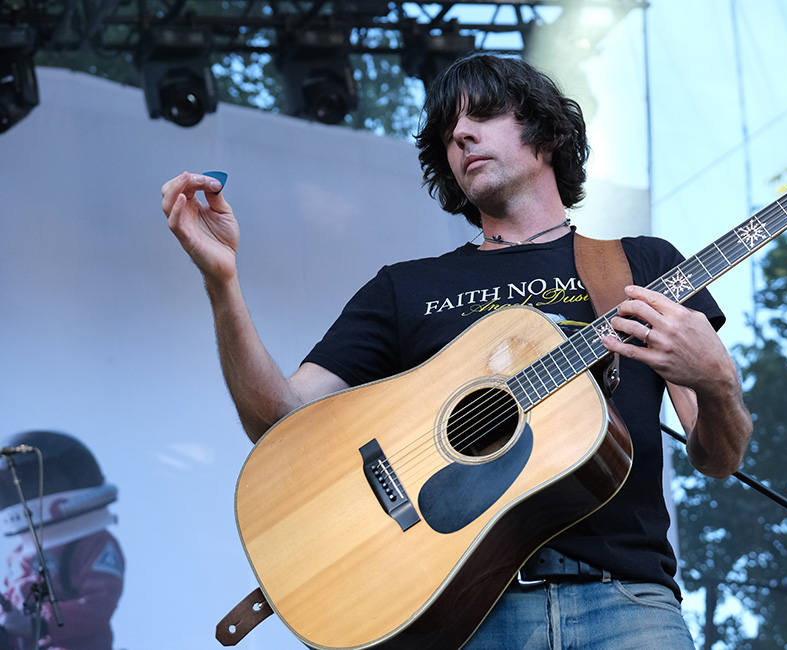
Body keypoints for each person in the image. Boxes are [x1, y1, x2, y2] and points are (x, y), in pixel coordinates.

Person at [161, 53, 752, 649]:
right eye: (448, 132)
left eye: (484, 115)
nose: (462, 134)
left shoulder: (640, 266)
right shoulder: (404, 287)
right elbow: (279, 418)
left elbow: (719, 457)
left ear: (548, 133)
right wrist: (222, 281)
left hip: (626, 604)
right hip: (468, 612)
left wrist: (718, 382)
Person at [0, 431, 124, 650]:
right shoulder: (20, 555)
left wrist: (39, 623)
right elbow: (13, 611)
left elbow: (98, 604)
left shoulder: (95, 544)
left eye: (28, 482)